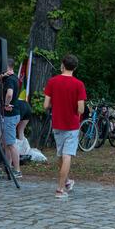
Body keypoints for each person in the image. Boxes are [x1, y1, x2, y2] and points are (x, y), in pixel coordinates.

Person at [44, 54, 86, 199]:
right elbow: (81, 109)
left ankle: (67, 182)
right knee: (67, 156)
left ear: (63, 65)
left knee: (61, 155)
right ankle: (60, 190)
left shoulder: (52, 82)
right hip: (72, 125)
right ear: (75, 67)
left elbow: (45, 105)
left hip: (57, 123)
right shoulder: (79, 84)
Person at [0, 59, 21, 178]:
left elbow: (9, 94)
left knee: (11, 143)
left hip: (10, 115)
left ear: (8, 67)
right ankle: (9, 168)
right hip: (13, 114)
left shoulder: (10, 80)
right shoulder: (14, 77)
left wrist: (7, 104)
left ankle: (17, 170)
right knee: (6, 143)